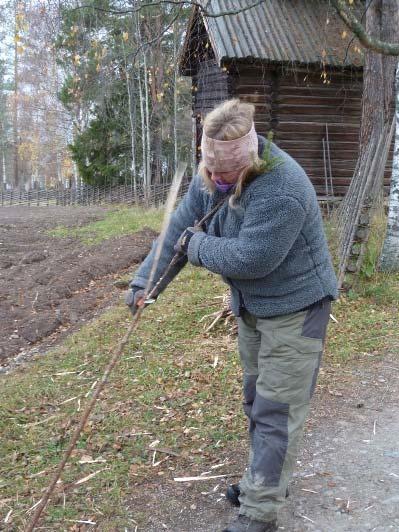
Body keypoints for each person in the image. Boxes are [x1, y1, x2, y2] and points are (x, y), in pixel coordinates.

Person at [125, 99, 338, 532]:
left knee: (276, 411)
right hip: (255, 310)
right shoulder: (211, 176)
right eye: (212, 173)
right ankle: (262, 480)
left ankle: (260, 512)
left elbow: (251, 259)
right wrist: (145, 285)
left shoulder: (283, 188)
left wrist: (196, 245)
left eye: (227, 175)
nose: (217, 182)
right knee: (256, 403)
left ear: (250, 158)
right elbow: (179, 228)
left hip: (297, 310)